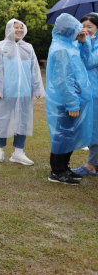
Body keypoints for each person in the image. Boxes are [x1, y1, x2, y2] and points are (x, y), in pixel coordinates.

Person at [0, 19, 45, 166]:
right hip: (6, 92)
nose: (19, 30)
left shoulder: (28, 47)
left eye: (21, 28)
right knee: (2, 119)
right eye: (15, 27)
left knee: (23, 121)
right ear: (9, 29)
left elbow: (34, 69)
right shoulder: (0, 46)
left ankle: (18, 152)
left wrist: (37, 87)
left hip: (24, 92)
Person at [46, 13, 93, 185]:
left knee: (70, 135)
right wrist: (71, 103)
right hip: (65, 102)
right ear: (68, 29)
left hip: (72, 99)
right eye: (76, 28)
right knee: (63, 135)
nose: (80, 30)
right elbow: (64, 80)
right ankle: (57, 172)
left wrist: (83, 42)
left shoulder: (68, 45)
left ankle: (64, 168)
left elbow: (85, 60)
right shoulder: (61, 49)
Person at [72, 13, 98, 177]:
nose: (86, 29)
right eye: (83, 26)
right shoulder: (77, 43)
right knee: (89, 127)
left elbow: (89, 62)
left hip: (95, 92)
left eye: (90, 26)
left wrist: (85, 42)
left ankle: (91, 165)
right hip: (83, 91)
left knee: (94, 128)